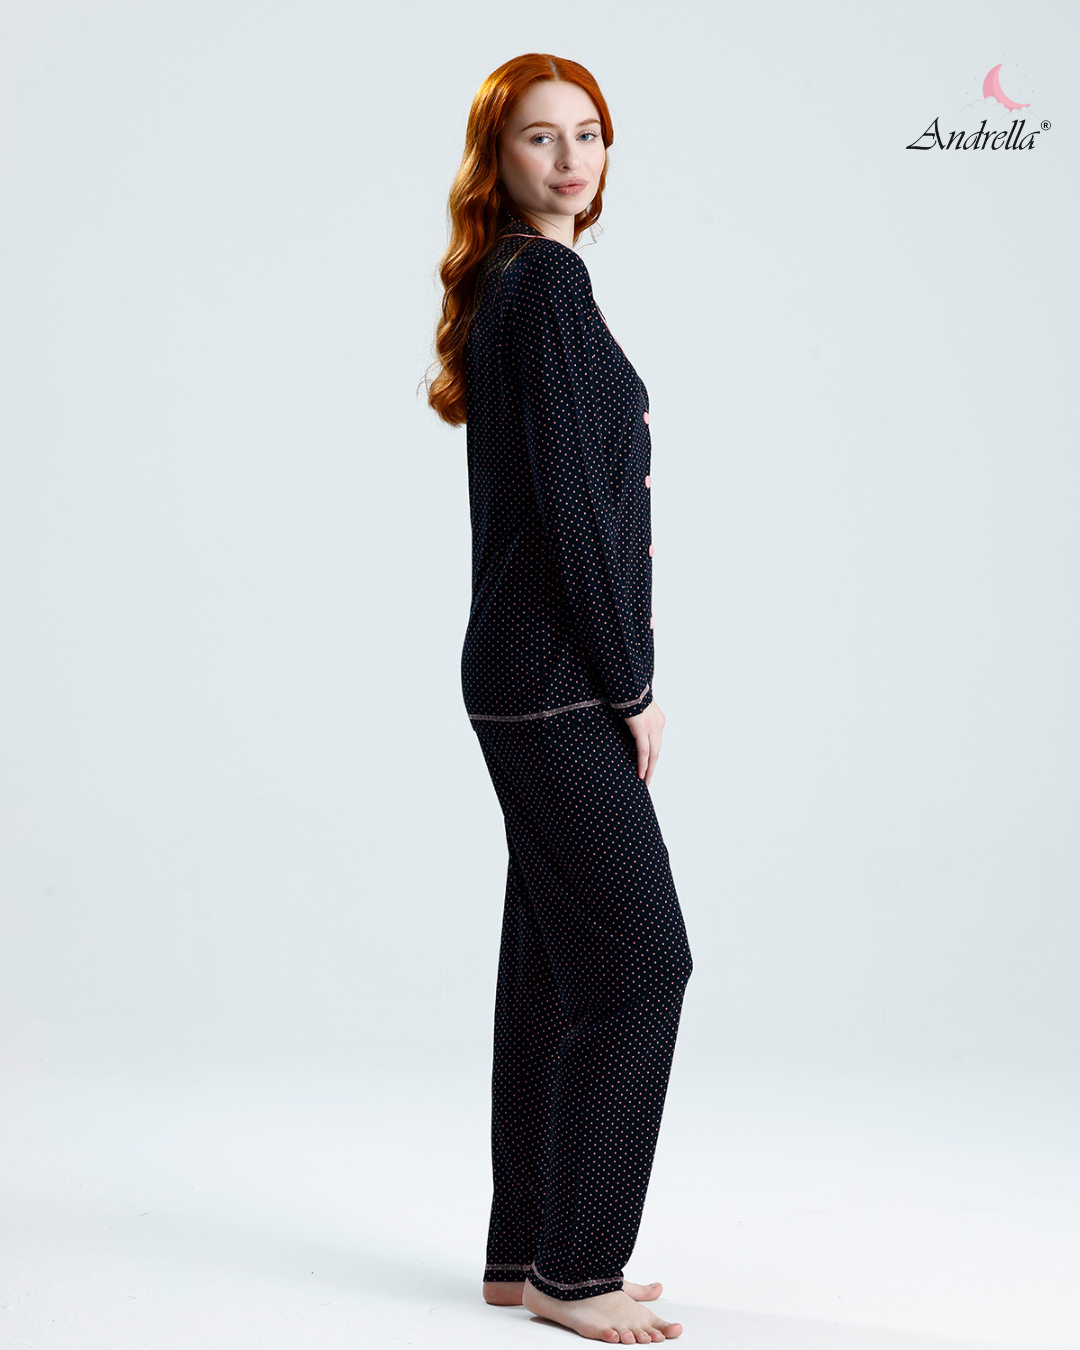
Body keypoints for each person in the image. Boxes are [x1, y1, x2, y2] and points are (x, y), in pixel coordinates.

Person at [426, 53, 693, 1346]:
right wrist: (631, 684)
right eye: (541, 137)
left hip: (517, 670)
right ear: (498, 157)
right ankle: (574, 1267)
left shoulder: (511, 285)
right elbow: (581, 518)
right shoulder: (549, 285)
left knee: (550, 955)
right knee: (642, 961)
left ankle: (521, 1249)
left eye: (588, 133)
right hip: (554, 680)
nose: (572, 158)